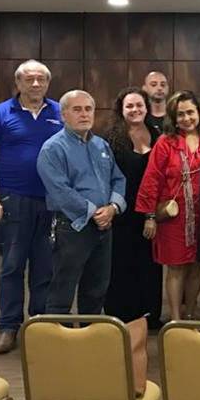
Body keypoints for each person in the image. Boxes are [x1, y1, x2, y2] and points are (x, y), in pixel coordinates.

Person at [0, 59, 63, 354]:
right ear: (18, 83)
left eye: (41, 79)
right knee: (12, 266)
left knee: (45, 267)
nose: (35, 84)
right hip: (14, 201)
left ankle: (38, 324)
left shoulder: (60, 112)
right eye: (29, 79)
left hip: (52, 202)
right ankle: (8, 326)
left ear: (48, 83)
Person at [136, 90, 200, 322]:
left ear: (199, 112)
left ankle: (190, 314)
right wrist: (149, 216)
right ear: (173, 118)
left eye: (190, 112)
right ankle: (176, 319)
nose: (186, 118)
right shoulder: (166, 143)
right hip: (174, 217)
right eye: (180, 114)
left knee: (197, 266)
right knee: (176, 267)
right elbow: (152, 178)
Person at [37, 90, 126, 315]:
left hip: (104, 228)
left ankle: (89, 341)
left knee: (96, 290)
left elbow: (118, 179)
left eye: (88, 109)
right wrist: (96, 212)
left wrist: (113, 208)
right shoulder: (52, 148)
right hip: (72, 227)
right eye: (77, 109)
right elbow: (59, 191)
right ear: (64, 115)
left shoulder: (101, 146)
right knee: (62, 290)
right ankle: (56, 344)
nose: (84, 114)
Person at [103, 87, 164, 328]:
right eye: (129, 106)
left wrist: (154, 212)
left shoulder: (158, 135)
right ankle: (121, 314)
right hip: (122, 210)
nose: (135, 110)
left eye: (139, 105)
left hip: (151, 211)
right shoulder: (110, 138)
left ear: (146, 108)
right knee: (121, 262)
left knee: (150, 263)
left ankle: (150, 313)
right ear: (121, 110)